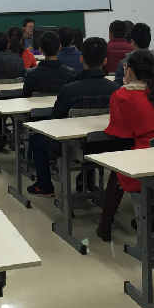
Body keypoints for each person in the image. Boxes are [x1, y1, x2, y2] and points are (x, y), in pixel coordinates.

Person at [96, 50, 154, 241]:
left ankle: (105, 224)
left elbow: (117, 132)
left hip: (145, 164)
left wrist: (127, 86)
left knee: (117, 170)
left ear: (130, 70)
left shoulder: (123, 96)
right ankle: (149, 218)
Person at [27, 37, 119, 197]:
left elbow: (55, 122)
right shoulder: (116, 90)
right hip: (106, 145)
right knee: (93, 133)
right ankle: (86, 180)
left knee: (36, 140)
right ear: (105, 61)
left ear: (81, 59)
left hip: (73, 148)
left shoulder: (69, 89)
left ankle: (45, 186)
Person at [22, 31, 74, 97]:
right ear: (60, 47)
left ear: (40, 50)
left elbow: (26, 97)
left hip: (39, 104)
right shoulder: (70, 74)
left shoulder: (31, 75)